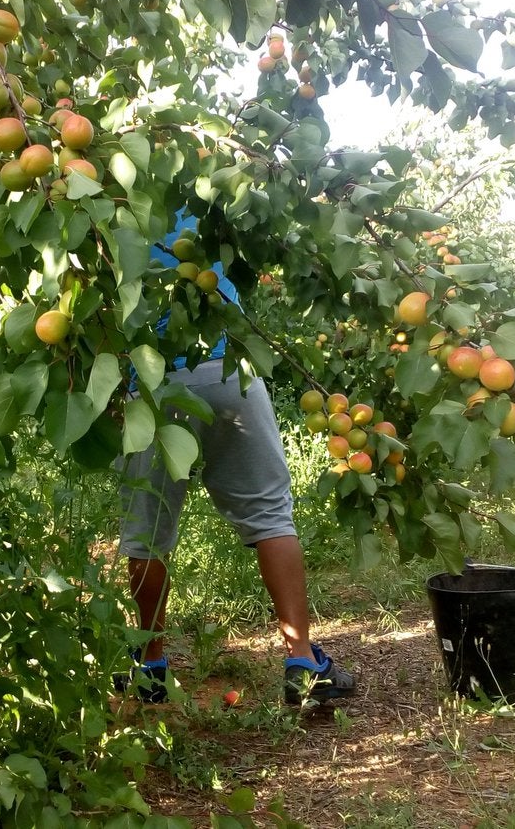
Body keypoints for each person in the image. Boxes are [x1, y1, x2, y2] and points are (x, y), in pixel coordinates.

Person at [116, 212, 356, 705]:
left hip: (154, 384)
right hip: (231, 371)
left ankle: (151, 667)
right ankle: (303, 662)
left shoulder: (109, 213)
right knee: (270, 516)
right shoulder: (206, 198)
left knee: (147, 528)